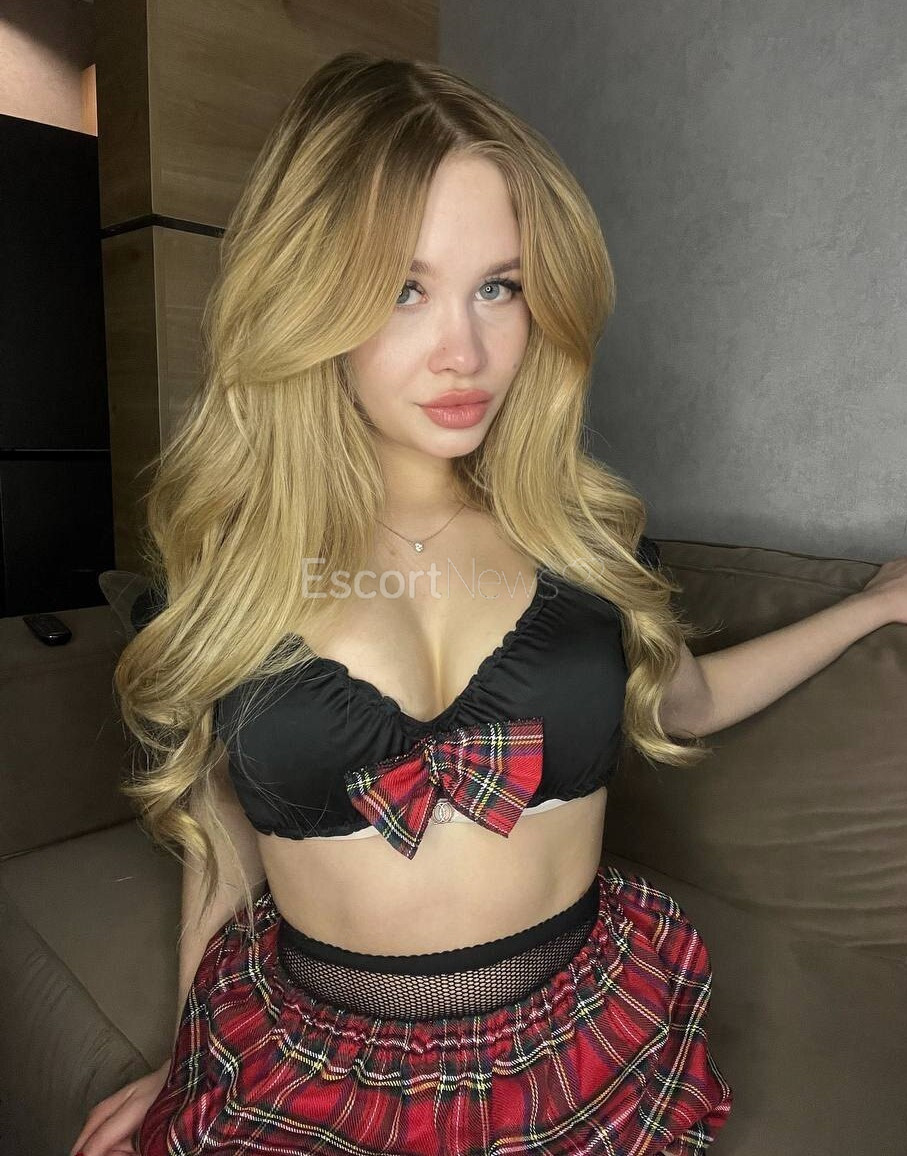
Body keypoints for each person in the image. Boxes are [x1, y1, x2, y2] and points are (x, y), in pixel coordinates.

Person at [72, 50, 742, 1156]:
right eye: (402, 288)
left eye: (499, 286)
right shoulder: (231, 573)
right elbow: (220, 837)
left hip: (575, 1038)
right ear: (310, 297)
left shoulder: (580, 542)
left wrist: (867, 612)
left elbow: (689, 699)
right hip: (310, 1055)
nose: (463, 353)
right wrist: (184, 1053)